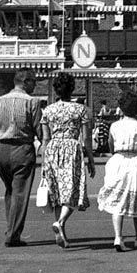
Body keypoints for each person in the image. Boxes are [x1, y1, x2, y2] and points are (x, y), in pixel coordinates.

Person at [0, 69, 44, 248]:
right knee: (20, 192)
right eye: (33, 81)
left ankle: (10, 227)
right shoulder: (33, 102)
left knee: (10, 191)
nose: (35, 85)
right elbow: (39, 130)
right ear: (25, 82)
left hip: (2, 149)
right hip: (22, 148)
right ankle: (13, 234)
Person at [39, 72, 95, 249]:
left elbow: (45, 139)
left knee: (57, 192)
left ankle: (61, 229)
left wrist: (43, 160)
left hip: (53, 149)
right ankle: (61, 222)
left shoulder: (48, 110)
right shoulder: (80, 110)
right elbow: (86, 138)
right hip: (72, 149)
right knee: (72, 190)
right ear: (72, 89)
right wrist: (91, 159)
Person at [96, 90, 137, 251]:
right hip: (136, 162)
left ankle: (118, 237)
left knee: (117, 200)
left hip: (118, 161)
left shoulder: (114, 125)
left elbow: (110, 145)